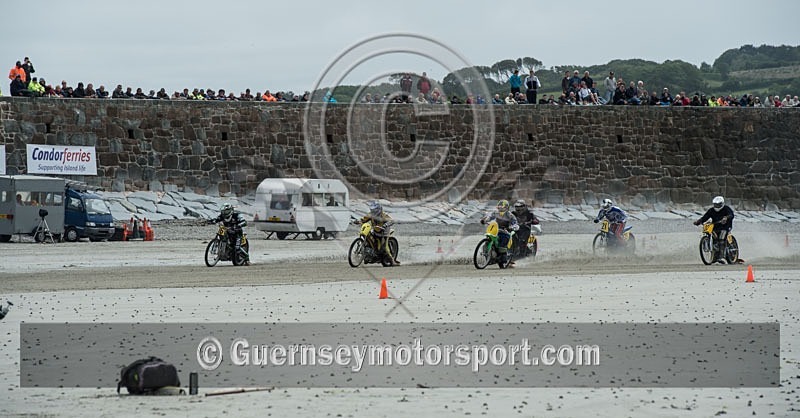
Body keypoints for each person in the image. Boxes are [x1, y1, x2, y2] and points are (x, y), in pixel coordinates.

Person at [693, 196, 735, 264]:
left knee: (721, 238)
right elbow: (705, 217)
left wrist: (726, 218)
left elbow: (731, 215)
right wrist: (699, 221)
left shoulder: (726, 209)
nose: (717, 206)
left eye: (718, 204)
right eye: (715, 204)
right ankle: (715, 256)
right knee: (715, 240)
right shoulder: (711, 210)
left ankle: (722, 256)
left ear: (722, 204)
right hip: (715, 226)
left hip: (725, 227)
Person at [355, 201, 400, 265]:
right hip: (375, 231)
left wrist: (385, 225)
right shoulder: (371, 215)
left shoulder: (383, 215)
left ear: (378, 210)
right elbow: (364, 219)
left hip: (384, 232)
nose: (373, 212)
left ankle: (392, 261)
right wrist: (359, 221)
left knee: (384, 247)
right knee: (369, 240)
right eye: (372, 210)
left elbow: (391, 221)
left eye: (374, 210)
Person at [480, 200, 519, 265]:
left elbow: (515, 223)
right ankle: (489, 258)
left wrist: (513, 227)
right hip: (496, 230)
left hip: (505, 232)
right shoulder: (495, 213)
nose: (500, 208)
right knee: (486, 243)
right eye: (499, 207)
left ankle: (503, 260)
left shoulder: (510, 215)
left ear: (506, 207)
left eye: (502, 207)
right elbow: (489, 217)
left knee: (502, 246)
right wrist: (484, 220)